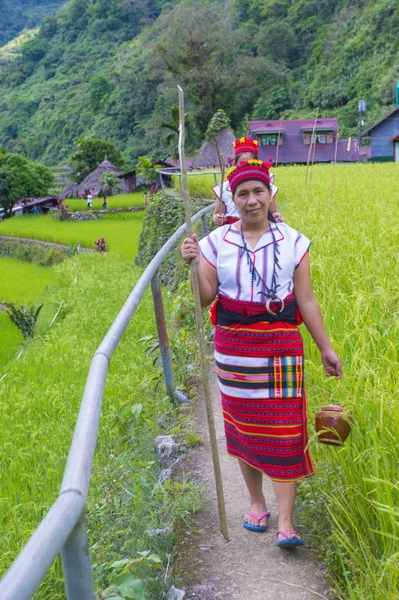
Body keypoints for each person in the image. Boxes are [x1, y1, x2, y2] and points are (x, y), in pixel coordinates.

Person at [181, 160, 342, 547]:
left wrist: (326, 348)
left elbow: (305, 298)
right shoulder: (215, 243)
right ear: (232, 200)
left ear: (270, 195)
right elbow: (205, 299)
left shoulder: (293, 241)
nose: (251, 201)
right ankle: (256, 503)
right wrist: (192, 262)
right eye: (242, 194)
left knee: (286, 431)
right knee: (243, 426)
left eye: (258, 192)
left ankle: (286, 521)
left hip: (283, 344)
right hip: (234, 348)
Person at [212, 138, 282, 227]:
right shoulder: (224, 188)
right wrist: (217, 218)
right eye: (241, 163)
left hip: (259, 229)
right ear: (235, 164)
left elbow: (273, 212)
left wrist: (276, 217)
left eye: (249, 163)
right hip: (232, 231)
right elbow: (218, 213)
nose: (245, 167)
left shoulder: (266, 187)